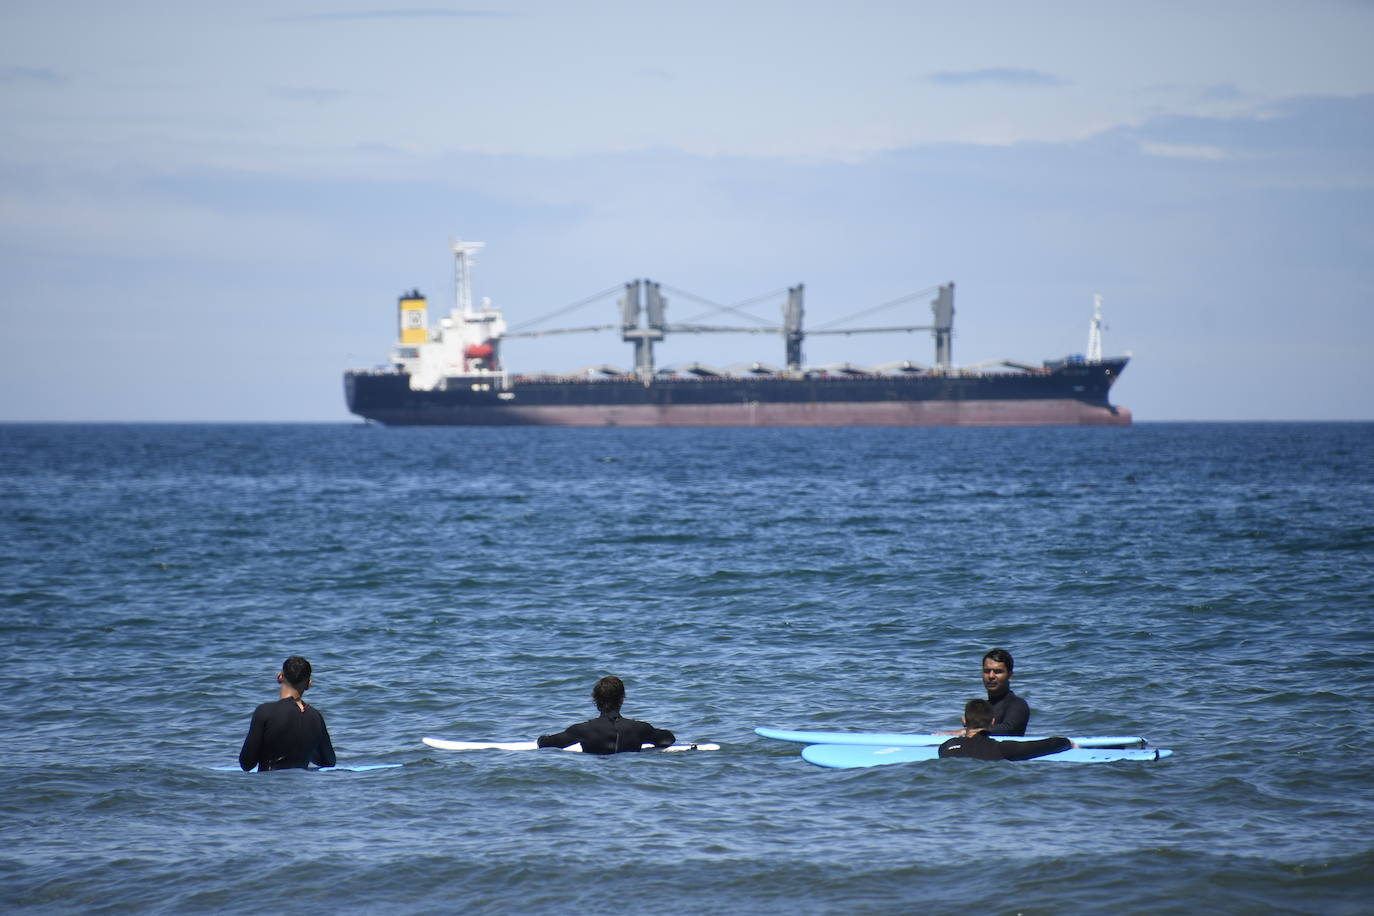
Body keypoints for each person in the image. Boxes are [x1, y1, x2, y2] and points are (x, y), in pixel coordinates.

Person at [238, 655, 337, 771]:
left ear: (280, 677)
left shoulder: (265, 712)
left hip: (269, 785)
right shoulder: (316, 717)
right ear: (308, 685)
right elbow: (329, 761)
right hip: (302, 787)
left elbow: (246, 763)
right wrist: (307, 752)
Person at [537, 675, 675, 755]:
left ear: (595, 699)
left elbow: (546, 743)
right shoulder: (640, 729)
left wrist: (542, 738)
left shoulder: (582, 730)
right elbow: (669, 739)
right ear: (622, 699)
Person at [938, 699, 1073, 760]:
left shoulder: (947, 747)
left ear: (964, 721)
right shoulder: (1003, 749)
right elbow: (1043, 746)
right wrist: (1067, 742)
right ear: (992, 722)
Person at [981, 647, 1030, 736]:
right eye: (987, 671)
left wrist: (973, 731)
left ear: (1010, 676)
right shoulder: (981, 708)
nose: (991, 676)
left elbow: (1010, 729)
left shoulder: (1018, 704)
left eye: (998, 671)